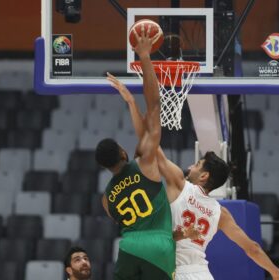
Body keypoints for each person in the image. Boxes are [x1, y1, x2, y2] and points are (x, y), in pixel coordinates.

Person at [106, 74, 279, 280]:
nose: (191, 165)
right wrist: (276, 272)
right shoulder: (221, 213)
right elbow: (252, 248)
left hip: (171, 269)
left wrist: (131, 102)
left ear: (204, 176)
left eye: (197, 164)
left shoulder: (179, 183)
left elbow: (148, 143)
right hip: (201, 273)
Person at [96, 24, 175, 280]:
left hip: (129, 246)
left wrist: (131, 103)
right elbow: (154, 107)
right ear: (122, 152)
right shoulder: (144, 164)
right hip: (158, 245)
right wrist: (144, 56)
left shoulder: (106, 199)